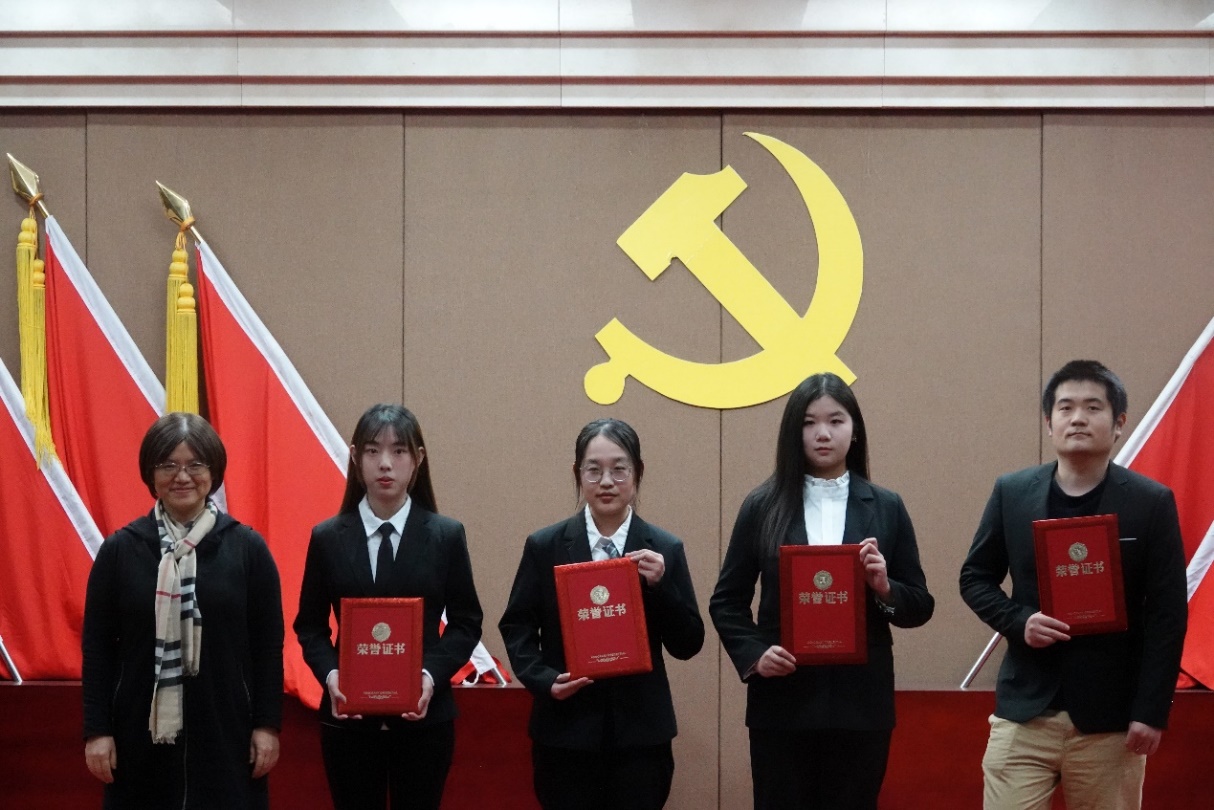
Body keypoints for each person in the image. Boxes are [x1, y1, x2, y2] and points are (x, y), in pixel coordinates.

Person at [959, 359, 1187, 810]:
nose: (1078, 418)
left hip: (1111, 720)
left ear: (1118, 423)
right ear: (1049, 423)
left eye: (1092, 407)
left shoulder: (1151, 502)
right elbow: (975, 577)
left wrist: (1151, 710)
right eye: (1065, 408)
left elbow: (1168, 613)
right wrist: (1019, 621)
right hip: (1025, 711)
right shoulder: (1012, 492)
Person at [709, 373, 934, 810]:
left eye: (836, 420)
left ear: (855, 430)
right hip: (783, 703)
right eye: (809, 423)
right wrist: (755, 655)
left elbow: (920, 604)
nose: (823, 433)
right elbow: (727, 601)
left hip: (861, 705)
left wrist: (885, 588)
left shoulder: (886, 506)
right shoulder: (762, 505)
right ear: (793, 432)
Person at [499, 418, 704, 810]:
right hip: (565, 734)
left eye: (619, 469)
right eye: (594, 470)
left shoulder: (663, 548)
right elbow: (517, 625)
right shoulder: (546, 546)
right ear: (578, 474)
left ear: (638, 472)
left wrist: (662, 586)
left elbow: (688, 643)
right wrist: (545, 680)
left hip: (641, 737)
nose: (606, 481)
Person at [82, 413, 284, 809]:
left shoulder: (248, 549)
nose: (182, 476)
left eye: (195, 464)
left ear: (214, 471)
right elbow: (97, 649)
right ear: (150, 472)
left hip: (228, 730)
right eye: (168, 465)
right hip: (137, 733)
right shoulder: (120, 551)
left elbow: (267, 648)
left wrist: (267, 725)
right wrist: (96, 731)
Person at [294, 403, 483, 810]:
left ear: (418, 459)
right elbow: (310, 627)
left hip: (425, 719)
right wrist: (331, 675)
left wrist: (430, 676)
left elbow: (466, 623)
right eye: (372, 450)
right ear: (355, 456)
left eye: (398, 451)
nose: (385, 463)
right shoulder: (328, 537)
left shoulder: (446, 535)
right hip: (348, 721)